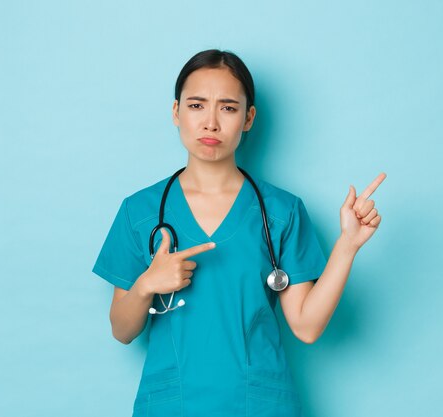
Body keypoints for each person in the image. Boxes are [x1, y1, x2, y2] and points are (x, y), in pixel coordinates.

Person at [92, 49, 385, 417]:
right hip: (172, 405)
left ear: (248, 118)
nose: (211, 123)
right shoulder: (140, 211)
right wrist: (147, 284)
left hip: (258, 405)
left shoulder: (281, 211)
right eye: (197, 106)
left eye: (228, 108)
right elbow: (122, 330)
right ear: (175, 112)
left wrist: (348, 245)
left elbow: (307, 327)